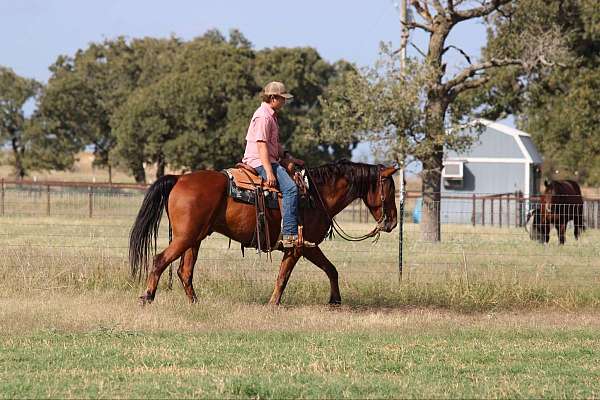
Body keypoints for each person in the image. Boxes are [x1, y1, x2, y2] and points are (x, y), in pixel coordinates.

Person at [242, 81, 307, 248]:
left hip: (268, 159)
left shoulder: (271, 115)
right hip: (260, 161)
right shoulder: (263, 116)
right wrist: (269, 172)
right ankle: (289, 235)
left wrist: (288, 157)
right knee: (291, 188)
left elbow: (274, 145)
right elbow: (262, 144)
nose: (284, 102)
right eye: (282, 98)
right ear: (272, 98)